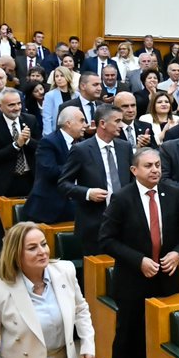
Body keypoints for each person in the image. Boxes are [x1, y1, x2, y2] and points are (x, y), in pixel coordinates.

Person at [99, 148, 179, 358]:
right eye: (148, 166)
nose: (155, 170)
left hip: (166, 275)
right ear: (134, 170)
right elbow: (107, 239)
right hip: (133, 277)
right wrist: (138, 260)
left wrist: (178, 253)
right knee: (127, 333)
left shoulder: (172, 194)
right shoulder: (122, 198)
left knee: (163, 333)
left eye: (157, 165)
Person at [0, 222, 95, 358]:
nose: (42, 251)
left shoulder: (65, 271)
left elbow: (81, 309)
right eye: (32, 248)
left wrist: (88, 343)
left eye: (44, 244)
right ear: (16, 254)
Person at [58, 104, 133, 257]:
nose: (121, 125)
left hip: (125, 223)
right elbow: (63, 184)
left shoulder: (125, 147)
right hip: (94, 225)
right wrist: (88, 193)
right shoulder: (81, 150)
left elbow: (132, 181)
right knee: (97, 274)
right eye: (117, 121)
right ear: (103, 124)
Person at [24, 107, 86, 225]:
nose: (85, 125)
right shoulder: (48, 142)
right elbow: (50, 171)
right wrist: (78, 169)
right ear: (68, 123)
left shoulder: (82, 142)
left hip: (76, 205)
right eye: (82, 121)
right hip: (48, 208)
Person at [0, 87, 39, 198]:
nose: (17, 108)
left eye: (19, 103)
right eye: (11, 105)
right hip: (5, 182)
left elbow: (41, 148)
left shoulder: (30, 120)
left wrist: (28, 141)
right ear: (0, 107)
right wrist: (17, 145)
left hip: (30, 179)